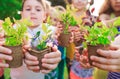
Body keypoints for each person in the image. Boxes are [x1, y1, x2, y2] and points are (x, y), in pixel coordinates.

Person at [0, 0, 61, 79]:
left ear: (44, 16)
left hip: (39, 75)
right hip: (17, 75)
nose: (32, 12)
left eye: (38, 9)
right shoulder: (15, 28)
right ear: (21, 14)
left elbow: (53, 43)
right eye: (28, 9)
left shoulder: (50, 30)